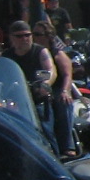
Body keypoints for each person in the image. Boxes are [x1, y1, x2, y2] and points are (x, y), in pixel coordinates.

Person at [32, 21, 76, 157]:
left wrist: (65, 90)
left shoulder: (57, 54)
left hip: (56, 89)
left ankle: (67, 145)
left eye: (38, 34)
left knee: (62, 102)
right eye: (33, 34)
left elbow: (68, 74)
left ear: (48, 36)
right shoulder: (32, 53)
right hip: (37, 91)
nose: (34, 37)